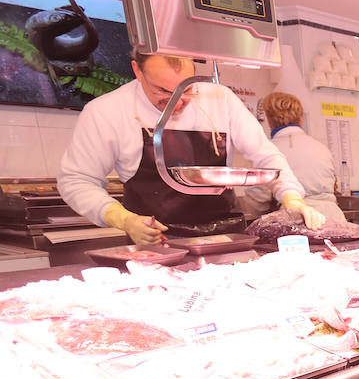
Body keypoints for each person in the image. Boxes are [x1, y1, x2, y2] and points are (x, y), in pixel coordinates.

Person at [58, 51, 321, 244]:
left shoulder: (220, 98)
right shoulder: (106, 111)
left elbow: (266, 156)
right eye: (163, 91)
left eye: (188, 89)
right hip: (155, 244)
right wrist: (122, 219)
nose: (178, 102)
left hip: (226, 239)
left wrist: (292, 198)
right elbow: (76, 180)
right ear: (137, 71)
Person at [239, 92, 347, 223]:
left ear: (269, 120)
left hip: (295, 220)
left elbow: (258, 200)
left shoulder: (268, 152)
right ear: (300, 118)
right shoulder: (322, 148)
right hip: (334, 218)